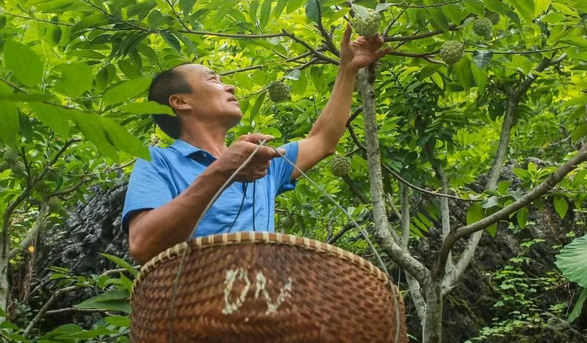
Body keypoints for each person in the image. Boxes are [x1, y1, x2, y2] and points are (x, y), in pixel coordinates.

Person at [122, 25, 389, 264]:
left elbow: (322, 140)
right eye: (213, 80)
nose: (230, 87)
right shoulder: (158, 161)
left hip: (260, 298)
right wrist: (222, 171)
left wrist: (347, 69)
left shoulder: (260, 165)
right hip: (195, 299)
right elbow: (143, 245)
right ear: (180, 102)